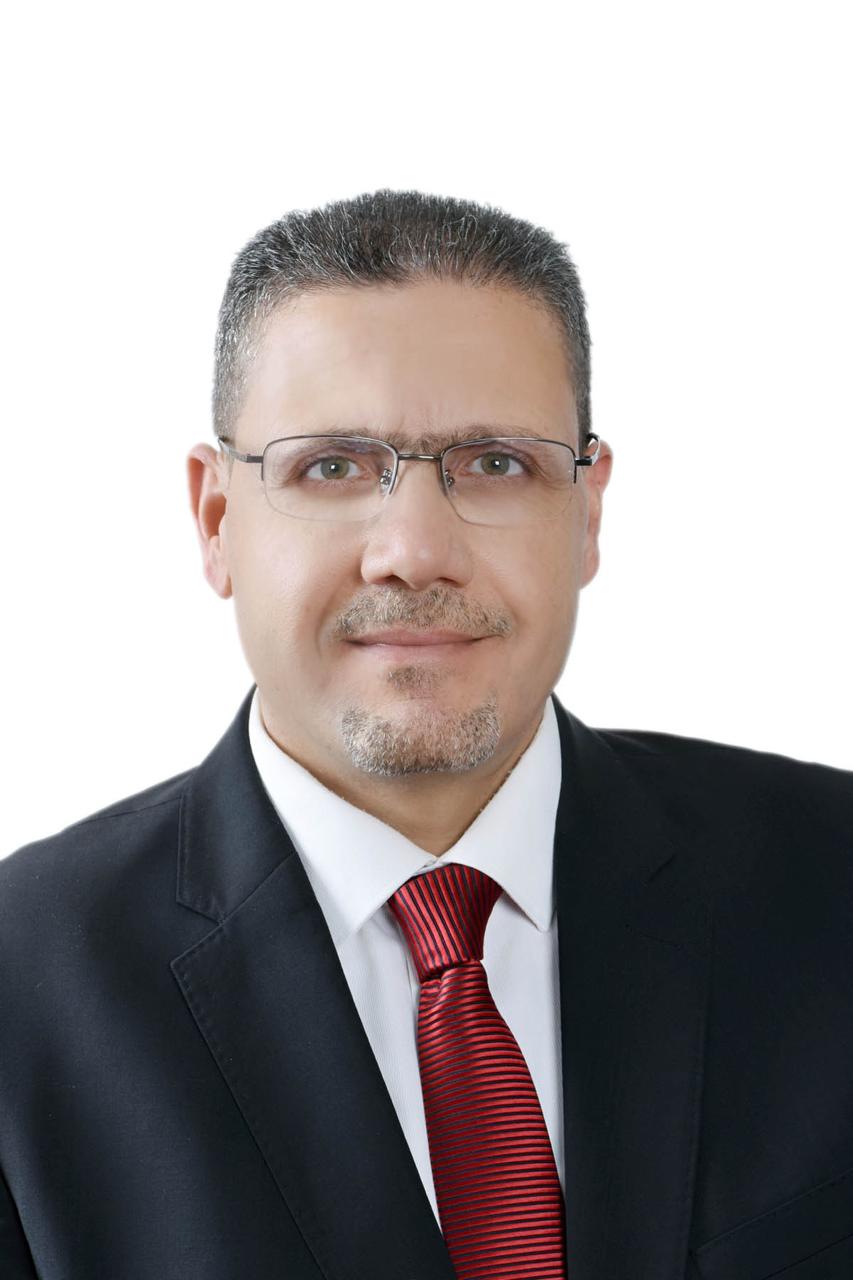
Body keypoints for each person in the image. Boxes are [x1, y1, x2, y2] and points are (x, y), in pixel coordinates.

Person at [2, 189, 852, 1280]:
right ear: (216, 521)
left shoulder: (830, 881)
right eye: (332, 466)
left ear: (587, 513)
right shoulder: (22, 989)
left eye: (494, 462)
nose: (411, 551)